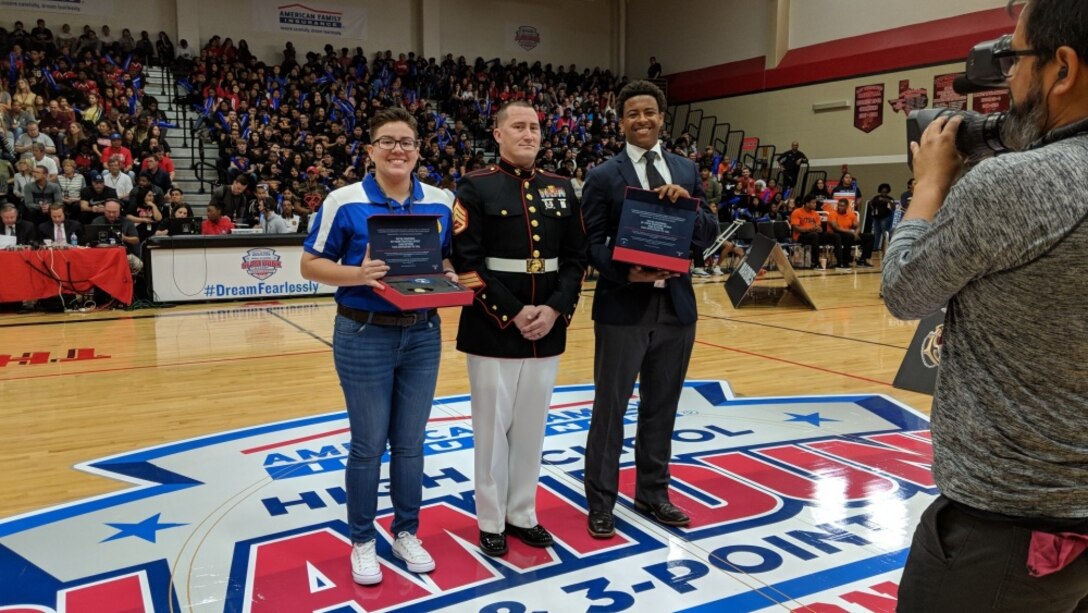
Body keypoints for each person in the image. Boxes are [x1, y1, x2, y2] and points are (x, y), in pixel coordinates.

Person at [884, 0, 1088, 609]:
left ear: (1062, 69)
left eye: (1015, 59)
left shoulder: (1015, 185)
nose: (1008, 81)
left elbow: (905, 290)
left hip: (1006, 525)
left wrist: (928, 189)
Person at [300, 107, 457, 586]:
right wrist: (358, 275)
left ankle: (406, 531)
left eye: (406, 142)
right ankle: (363, 539)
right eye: (387, 141)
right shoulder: (343, 201)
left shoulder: (440, 201)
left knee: (411, 444)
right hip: (363, 332)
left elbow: (445, 257)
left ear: (417, 151)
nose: (397, 150)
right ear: (370, 151)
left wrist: (448, 273)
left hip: (423, 332)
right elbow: (309, 264)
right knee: (368, 446)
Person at [580, 80, 717, 538]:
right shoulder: (602, 176)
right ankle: (601, 501)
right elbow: (590, 243)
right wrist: (624, 273)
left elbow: (705, 235)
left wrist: (691, 208)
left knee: (662, 408)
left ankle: (653, 493)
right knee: (611, 409)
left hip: (676, 307)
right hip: (623, 306)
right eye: (632, 113)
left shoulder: (685, 169)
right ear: (620, 122)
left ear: (662, 117)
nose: (642, 120)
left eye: (650, 112)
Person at [450, 101, 587, 556]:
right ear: (498, 134)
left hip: (546, 327)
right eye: (518, 127)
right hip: (493, 328)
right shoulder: (475, 186)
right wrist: (512, 312)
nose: (528, 134)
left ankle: (521, 512)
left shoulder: (562, 188)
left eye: (535, 127)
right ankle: (490, 518)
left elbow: (575, 260)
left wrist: (552, 310)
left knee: (532, 427)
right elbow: (466, 264)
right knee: (491, 430)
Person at [791, 193, 842, 269]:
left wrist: (819, 229)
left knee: (835, 236)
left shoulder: (816, 214)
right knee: (814, 235)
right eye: (813, 203)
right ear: (807, 204)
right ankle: (816, 262)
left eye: (816, 202)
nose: (815, 204)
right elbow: (795, 228)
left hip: (815, 234)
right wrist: (809, 229)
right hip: (801, 236)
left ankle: (840, 263)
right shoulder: (797, 212)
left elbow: (819, 228)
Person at [827, 198, 874, 268]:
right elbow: (836, 228)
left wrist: (856, 234)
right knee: (848, 236)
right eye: (839, 205)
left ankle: (862, 260)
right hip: (836, 235)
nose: (839, 207)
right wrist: (851, 232)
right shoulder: (832, 214)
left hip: (851, 235)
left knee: (870, 236)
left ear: (847, 207)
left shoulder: (851, 214)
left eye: (842, 206)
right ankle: (845, 261)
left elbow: (857, 226)